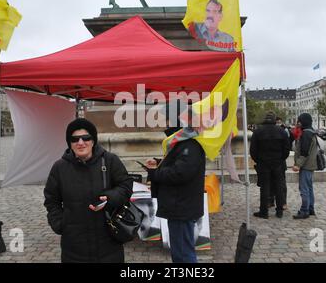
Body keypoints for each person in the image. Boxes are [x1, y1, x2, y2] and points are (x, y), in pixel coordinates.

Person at [43, 118, 133, 263]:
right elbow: (51, 199)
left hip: (108, 243)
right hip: (74, 246)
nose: (80, 143)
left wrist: (110, 198)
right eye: (74, 139)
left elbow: (126, 186)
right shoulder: (59, 167)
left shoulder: (110, 161)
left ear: (93, 140)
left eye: (86, 138)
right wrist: (60, 223)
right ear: (69, 143)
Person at [145, 100, 206, 263]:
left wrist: (155, 173)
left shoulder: (189, 144)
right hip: (179, 206)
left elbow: (180, 173)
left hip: (181, 207)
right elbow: (178, 165)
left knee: (183, 255)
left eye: (166, 118)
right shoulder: (182, 141)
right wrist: (159, 163)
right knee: (180, 252)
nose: (164, 123)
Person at [250, 111, 290, 219]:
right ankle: (279, 211)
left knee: (264, 187)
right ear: (274, 120)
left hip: (263, 163)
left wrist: (258, 160)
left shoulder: (258, 132)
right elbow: (287, 148)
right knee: (279, 187)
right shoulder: (281, 131)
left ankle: (264, 212)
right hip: (278, 163)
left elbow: (253, 150)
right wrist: (281, 159)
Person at [292, 113, 318, 219]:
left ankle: (304, 210)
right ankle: (310, 208)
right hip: (310, 165)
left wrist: (298, 164)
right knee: (309, 188)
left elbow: (304, 152)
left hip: (306, 166)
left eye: (300, 121)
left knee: (304, 189)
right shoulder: (311, 132)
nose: (298, 123)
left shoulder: (306, 134)